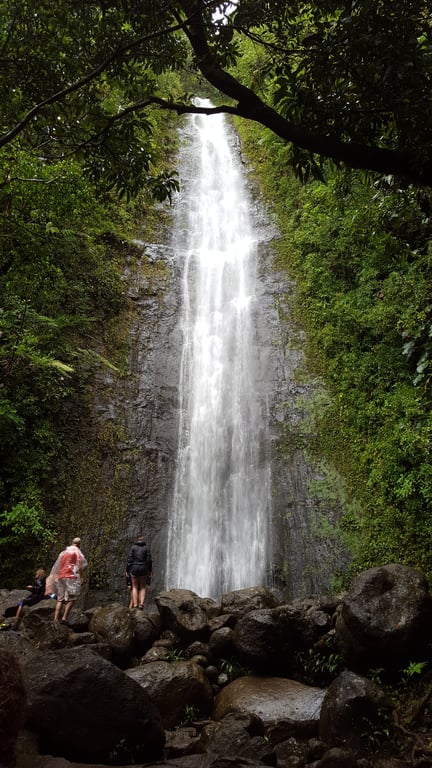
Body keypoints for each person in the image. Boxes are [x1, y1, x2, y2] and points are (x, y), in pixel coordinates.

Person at [52, 537, 87, 624]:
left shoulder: (63, 552)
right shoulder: (77, 552)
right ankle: (64, 618)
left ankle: (55, 619)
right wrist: (81, 577)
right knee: (72, 598)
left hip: (61, 576)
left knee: (60, 599)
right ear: (79, 544)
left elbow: (57, 565)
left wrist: (57, 576)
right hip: (71, 577)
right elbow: (80, 566)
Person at [126, 535, 152, 609]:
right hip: (143, 568)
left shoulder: (133, 547)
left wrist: (127, 570)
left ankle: (135, 604)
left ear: (137, 540)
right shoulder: (146, 548)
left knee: (134, 587)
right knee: (143, 587)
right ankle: (141, 604)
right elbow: (149, 560)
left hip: (134, 568)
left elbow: (129, 560)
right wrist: (150, 570)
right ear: (143, 541)